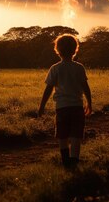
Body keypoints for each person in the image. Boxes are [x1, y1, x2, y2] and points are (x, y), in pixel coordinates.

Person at [38, 34, 93, 169]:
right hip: (77, 107)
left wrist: (41, 107)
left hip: (62, 108)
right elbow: (86, 87)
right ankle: (74, 160)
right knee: (76, 135)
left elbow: (48, 89)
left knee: (62, 135)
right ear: (75, 49)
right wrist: (89, 103)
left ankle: (65, 161)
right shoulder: (79, 67)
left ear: (57, 50)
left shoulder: (55, 68)